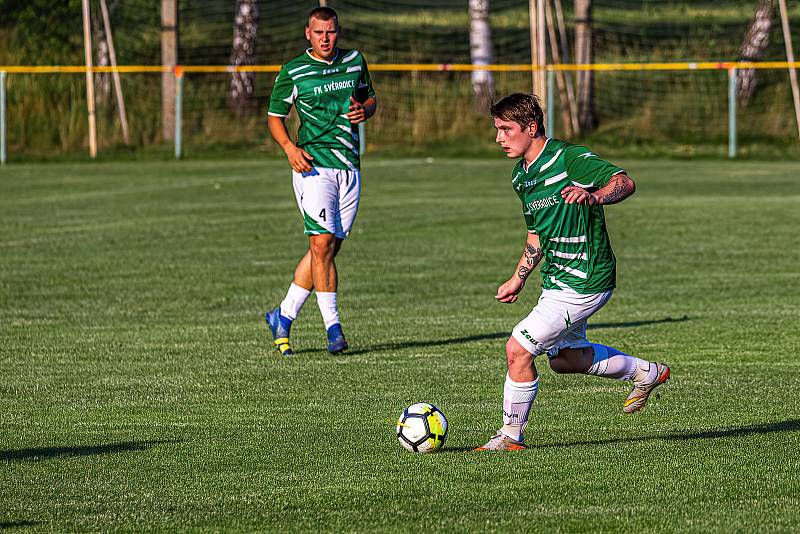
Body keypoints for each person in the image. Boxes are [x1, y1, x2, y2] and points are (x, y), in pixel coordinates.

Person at [476, 93, 670, 451]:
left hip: (586, 278)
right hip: (557, 279)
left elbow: (624, 182)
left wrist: (596, 197)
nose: (499, 138)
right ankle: (646, 372)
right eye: (497, 130)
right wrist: (520, 276)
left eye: (506, 130)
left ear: (531, 127)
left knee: (518, 350)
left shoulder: (569, 159)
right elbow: (536, 234)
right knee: (566, 360)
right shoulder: (522, 177)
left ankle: (510, 436)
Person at [264, 7, 376, 356]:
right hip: (313, 167)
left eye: (331, 32)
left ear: (338, 32)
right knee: (321, 245)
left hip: (349, 167)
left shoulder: (355, 61)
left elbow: (369, 98)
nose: (326, 38)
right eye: (319, 32)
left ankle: (282, 315)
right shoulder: (294, 71)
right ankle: (334, 328)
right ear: (307, 33)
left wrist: (365, 110)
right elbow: (274, 117)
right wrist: (289, 149)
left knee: (326, 250)